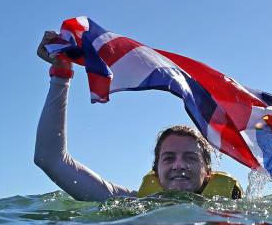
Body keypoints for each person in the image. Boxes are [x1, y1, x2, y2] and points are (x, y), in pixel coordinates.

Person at [34, 31, 242, 202]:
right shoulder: (134, 203)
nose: (179, 165)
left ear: (208, 171)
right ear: (156, 171)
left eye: (190, 158)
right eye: (168, 158)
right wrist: (61, 76)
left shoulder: (233, 208)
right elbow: (50, 159)